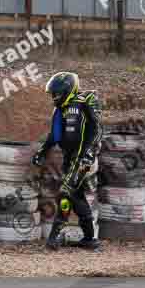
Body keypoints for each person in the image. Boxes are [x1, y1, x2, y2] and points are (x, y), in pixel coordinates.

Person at [31, 71, 103, 250]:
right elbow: (54, 135)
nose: (54, 97)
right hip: (69, 159)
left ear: (68, 89)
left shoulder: (85, 100)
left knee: (64, 192)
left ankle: (54, 238)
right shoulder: (60, 109)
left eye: (56, 93)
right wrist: (42, 151)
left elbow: (97, 129)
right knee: (76, 196)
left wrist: (88, 153)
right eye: (52, 93)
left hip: (84, 158)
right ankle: (90, 239)